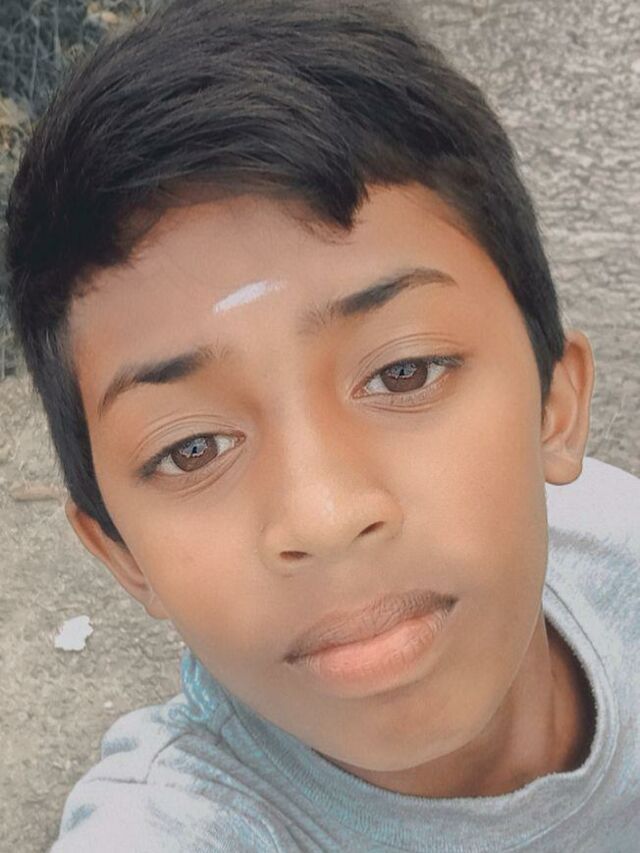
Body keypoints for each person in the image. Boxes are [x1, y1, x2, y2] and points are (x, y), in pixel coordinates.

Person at [3, 0, 638, 850]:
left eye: (403, 372)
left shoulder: (621, 548)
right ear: (122, 555)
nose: (324, 516)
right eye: (192, 449)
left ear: (554, 403)